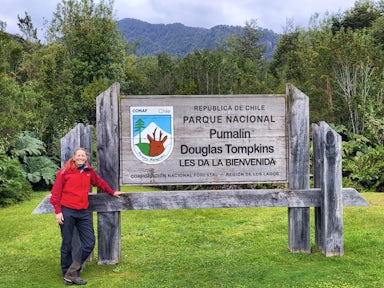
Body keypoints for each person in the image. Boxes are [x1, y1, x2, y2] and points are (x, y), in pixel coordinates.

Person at [50, 147, 125, 286]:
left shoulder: (89, 172)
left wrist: (112, 192)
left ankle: (71, 272)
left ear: (86, 158)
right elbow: (56, 193)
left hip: (83, 212)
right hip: (67, 211)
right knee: (67, 243)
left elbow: (100, 182)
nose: (80, 157)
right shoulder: (64, 172)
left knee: (89, 242)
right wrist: (58, 211)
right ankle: (67, 273)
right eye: (78, 155)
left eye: (83, 156)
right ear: (74, 157)